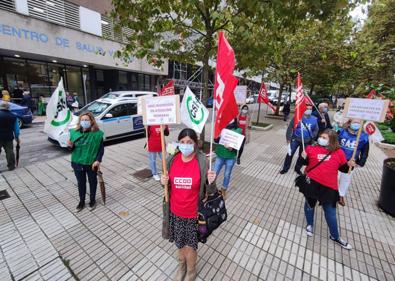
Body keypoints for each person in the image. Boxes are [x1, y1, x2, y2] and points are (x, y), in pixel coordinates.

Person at [161, 128, 216, 281]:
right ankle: (181, 266)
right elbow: (168, 185)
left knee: (190, 246)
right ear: (179, 143)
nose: (186, 145)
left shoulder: (202, 161)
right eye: (182, 142)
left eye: (189, 142)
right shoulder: (172, 159)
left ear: (195, 144)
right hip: (175, 212)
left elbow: (211, 191)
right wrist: (162, 181)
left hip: (193, 214)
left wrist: (211, 181)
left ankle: (191, 270)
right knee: (179, 244)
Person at [299, 129, 354, 250]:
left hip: (329, 187)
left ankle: (335, 236)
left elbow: (344, 169)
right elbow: (304, 163)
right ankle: (309, 224)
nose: (321, 139)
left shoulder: (339, 152)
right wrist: (303, 157)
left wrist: (350, 165)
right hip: (311, 183)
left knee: (330, 213)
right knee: (309, 205)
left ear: (332, 140)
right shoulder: (311, 148)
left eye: (325, 137)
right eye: (321, 136)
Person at [68, 112, 104, 212]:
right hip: (77, 163)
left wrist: (98, 160)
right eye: (82, 120)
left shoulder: (97, 134)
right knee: (81, 183)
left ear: (91, 121)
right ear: (80, 121)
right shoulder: (74, 133)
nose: (84, 121)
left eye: (86, 120)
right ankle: (81, 201)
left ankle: (92, 200)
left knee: (92, 182)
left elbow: (100, 149)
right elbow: (71, 149)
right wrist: (70, 146)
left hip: (91, 163)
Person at [337, 119, 369, 205]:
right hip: (338, 159)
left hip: (351, 161)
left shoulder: (364, 136)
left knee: (346, 179)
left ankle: (341, 195)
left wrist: (361, 162)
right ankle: (331, 192)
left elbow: (365, 152)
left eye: (358, 123)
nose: (356, 124)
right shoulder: (342, 132)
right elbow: (334, 143)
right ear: (349, 123)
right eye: (354, 122)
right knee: (334, 177)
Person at [279, 104, 318, 175]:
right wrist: (288, 138)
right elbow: (290, 127)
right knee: (290, 153)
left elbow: (316, 130)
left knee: (302, 156)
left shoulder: (314, 119)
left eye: (310, 109)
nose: (309, 110)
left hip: (306, 141)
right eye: (307, 108)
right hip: (295, 139)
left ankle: (297, 168)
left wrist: (311, 136)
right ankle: (285, 168)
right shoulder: (297, 117)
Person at [214, 119, 242, 199]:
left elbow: (240, 145)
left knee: (227, 174)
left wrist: (232, 149)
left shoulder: (238, 130)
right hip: (220, 155)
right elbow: (215, 140)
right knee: (215, 173)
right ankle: (212, 189)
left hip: (230, 157)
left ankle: (223, 189)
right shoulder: (221, 127)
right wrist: (217, 135)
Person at [0, 102, 20, 171]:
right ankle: (11, 166)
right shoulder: (13, 116)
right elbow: (16, 129)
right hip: (9, 136)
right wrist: (17, 137)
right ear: (9, 108)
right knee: (9, 151)